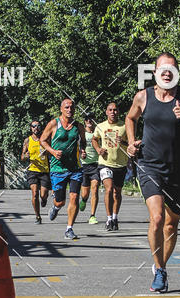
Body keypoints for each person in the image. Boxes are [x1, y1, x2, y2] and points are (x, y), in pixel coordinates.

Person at [126, 52, 180, 292]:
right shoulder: (143, 97)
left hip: (178, 170)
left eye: (171, 69)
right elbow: (130, 118)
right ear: (155, 73)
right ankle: (160, 271)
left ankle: (160, 264)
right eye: (163, 69)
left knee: (171, 226)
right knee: (157, 218)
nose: (167, 73)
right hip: (150, 166)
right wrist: (130, 142)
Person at [39, 98, 86, 241]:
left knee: (74, 197)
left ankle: (69, 229)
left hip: (75, 168)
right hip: (58, 168)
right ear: (61, 109)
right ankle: (55, 207)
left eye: (72, 107)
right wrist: (53, 152)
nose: (69, 110)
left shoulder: (78, 126)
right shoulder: (54, 124)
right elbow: (42, 140)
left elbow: (83, 141)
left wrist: (82, 150)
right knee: (60, 201)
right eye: (66, 107)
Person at [92, 102, 129, 231]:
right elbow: (94, 139)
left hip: (120, 164)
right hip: (105, 163)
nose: (113, 112)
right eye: (110, 110)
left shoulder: (125, 126)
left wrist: (123, 142)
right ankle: (108, 219)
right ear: (106, 112)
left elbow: (131, 142)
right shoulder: (101, 126)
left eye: (115, 110)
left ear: (118, 112)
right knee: (109, 189)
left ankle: (115, 217)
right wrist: (98, 149)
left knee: (117, 193)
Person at [20, 120, 51, 223]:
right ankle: (38, 216)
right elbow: (22, 157)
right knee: (34, 194)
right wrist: (26, 156)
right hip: (32, 170)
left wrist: (47, 152)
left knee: (43, 195)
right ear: (31, 128)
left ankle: (44, 199)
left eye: (38, 126)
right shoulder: (27, 140)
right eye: (33, 126)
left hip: (44, 170)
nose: (36, 128)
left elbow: (52, 151)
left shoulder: (45, 139)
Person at [78, 114, 100, 224]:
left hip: (96, 165)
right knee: (85, 194)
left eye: (91, 119)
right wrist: (81, 152)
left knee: (95, 189)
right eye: (87, 119)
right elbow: (77, 146)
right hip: (84, 165)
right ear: (85, 121)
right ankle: (83, 200)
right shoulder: (82, 133)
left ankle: (92, 215)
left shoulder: (98, 132)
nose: (89, 121)